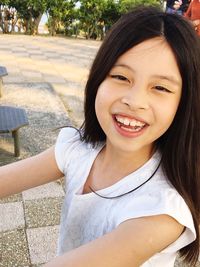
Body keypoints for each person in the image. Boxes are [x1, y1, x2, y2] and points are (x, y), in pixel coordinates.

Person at [0, 6, 200, 267]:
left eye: (160, 87)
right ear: (98, 80)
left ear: (184, 104)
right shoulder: (79, 148)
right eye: (120, 76)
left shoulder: (162, 210)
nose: (135, 101)